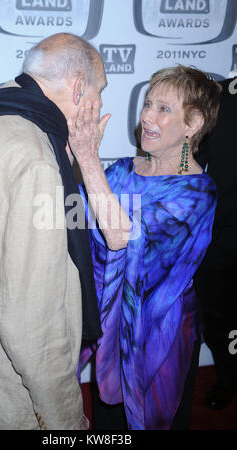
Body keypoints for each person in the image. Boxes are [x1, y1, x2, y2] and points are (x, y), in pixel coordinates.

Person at [0, 33, 106, 430]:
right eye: (99, 92)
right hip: (5, 398)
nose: (100, 107)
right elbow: (32, 326)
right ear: (80, 88)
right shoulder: (37, 163)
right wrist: (67, 418)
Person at [67, 65, 221, 430]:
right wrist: (70, 159)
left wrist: (88, 160)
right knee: (108, 420)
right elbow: (77, 224)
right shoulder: (121, 170)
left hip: (158, 340)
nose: (147, 117)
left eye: (163, 109)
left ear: (193, 124)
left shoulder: (197, 194)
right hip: (106, 330)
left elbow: (124, 236)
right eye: (148, 104)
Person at [194, 77, 237, 410]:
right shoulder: (219, 95)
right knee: (218, 315)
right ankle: (228, 376)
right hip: (220, 233)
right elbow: (193, 156)